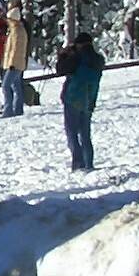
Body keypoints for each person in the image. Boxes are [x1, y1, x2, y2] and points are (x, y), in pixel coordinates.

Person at [54, 31, 105, 171]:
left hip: (73, 98)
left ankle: (78, 164)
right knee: (85, 134)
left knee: (72, 133)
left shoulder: (76, 58)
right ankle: (89, 163)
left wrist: (63, 56)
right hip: (89, 99)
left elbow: (60, 69)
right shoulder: (98, 59)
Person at [0, 0, 30, 118]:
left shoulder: (17, 31)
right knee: (16, 87)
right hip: (16, 63)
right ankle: (18, 109)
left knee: (6, 86)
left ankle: (8, 109)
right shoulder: (17, 30)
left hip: (14, 63)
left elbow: (16, 49)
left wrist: (11, 63)